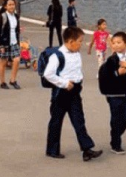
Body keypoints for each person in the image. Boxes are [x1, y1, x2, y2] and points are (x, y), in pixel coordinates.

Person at [44, 26, 104, 161]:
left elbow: (76, 70)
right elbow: (48, 74)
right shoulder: (57, 55)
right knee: (56, 121)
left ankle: (87, 149)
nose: (81, 44)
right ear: (71, 41)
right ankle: (52, 150)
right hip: (61, 92)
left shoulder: (76, 53)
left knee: (79, 120)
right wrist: (64, 83)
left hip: (75, 91)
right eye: (80, 41)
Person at [98, 31, 126, 154]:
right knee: (116, 119)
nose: (116, 45)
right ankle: (116, 144)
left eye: (119, 42)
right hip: (113, 94)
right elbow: (107, 77)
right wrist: (118, 73)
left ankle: (115, 136)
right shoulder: (111, 60)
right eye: (114, 43)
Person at [0, 0, 22, 90]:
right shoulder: (3, 16)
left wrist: (18, 42)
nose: (12, 6)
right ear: (5, 6)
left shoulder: (16, 16)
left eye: (13, 4)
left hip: (14, 42)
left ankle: (13, 80)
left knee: (17, 60)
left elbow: (17, 30)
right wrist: (0, 45)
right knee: (3, 62)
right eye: (9, 5)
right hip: (4, 42)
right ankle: (2, 82)